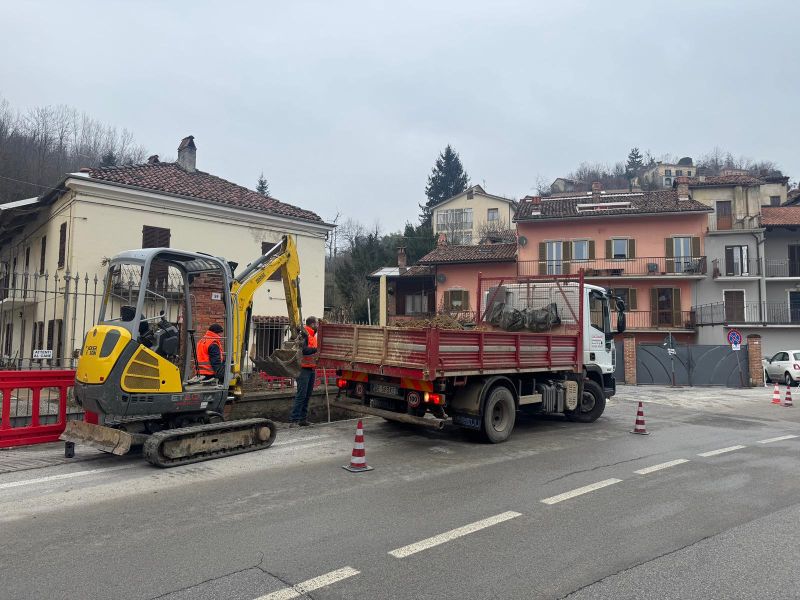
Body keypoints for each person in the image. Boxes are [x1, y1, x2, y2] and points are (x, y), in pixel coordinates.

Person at [290, 316, 318, 426]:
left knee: (307, 394)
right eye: (316, 324)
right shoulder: (304, 335)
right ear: (312, 324)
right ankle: (294, 420)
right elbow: (305, 350)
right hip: (303, 369)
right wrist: (317, 349)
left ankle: (302, 419)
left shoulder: (312, 336)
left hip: (311, 368)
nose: (318, 326)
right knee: (301, 394)